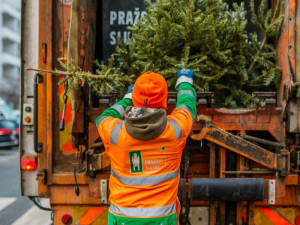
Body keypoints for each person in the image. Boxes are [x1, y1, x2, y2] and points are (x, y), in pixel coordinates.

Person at [96, 69, 196, 225]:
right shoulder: (175, 130)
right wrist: (185, 81)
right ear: (164, 101)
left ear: (136, 98)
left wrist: (127, 99)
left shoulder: (115, 133)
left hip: (121, 219)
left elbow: (104, 117)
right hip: (163, 219)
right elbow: (187, 105)